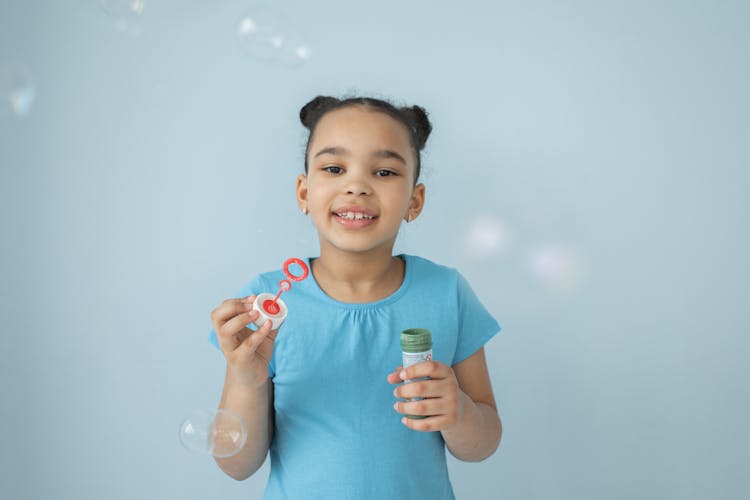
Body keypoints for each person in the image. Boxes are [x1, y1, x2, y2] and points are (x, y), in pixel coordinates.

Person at [208, 95, 502, 499]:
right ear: (303, 192)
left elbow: (483, 444)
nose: (357, 185)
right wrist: (247, 379)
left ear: (414, 201)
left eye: (383, 171)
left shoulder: (446, 292)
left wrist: (460, 413)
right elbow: (235, 464)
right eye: (334, 168)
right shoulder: (266, 303)